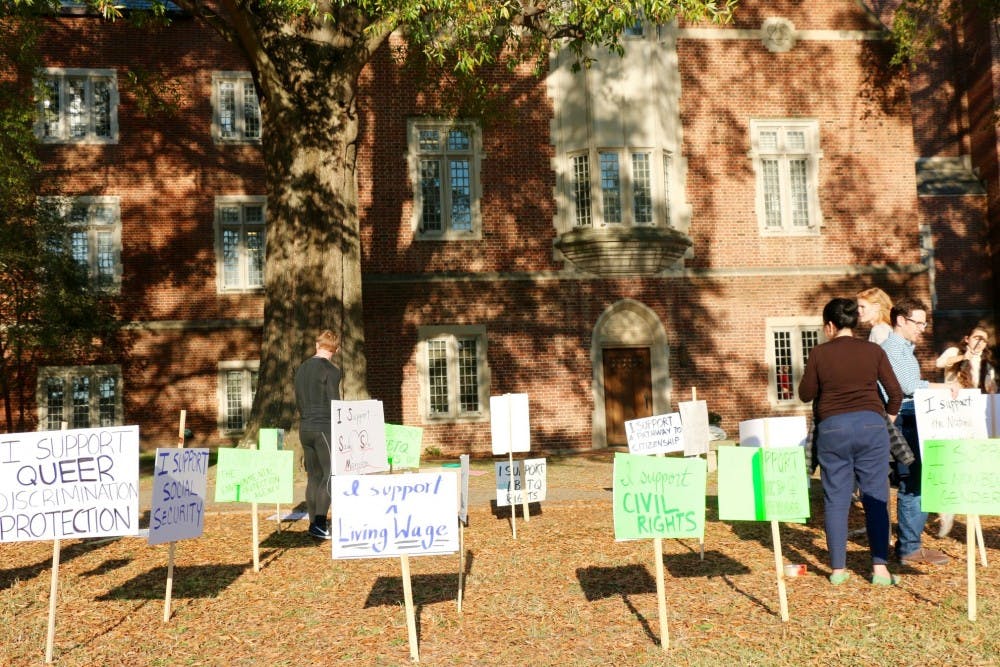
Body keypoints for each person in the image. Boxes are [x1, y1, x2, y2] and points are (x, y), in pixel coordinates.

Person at [798, 298, 903, 586]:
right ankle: (880, 569)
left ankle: (837, 570)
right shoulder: (873, 351)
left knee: (836, 498)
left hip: (833, 428)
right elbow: (895, 393)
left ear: (830, 326)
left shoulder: (819, 354)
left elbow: (805, 394)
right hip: (871, 425)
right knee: (876, 497)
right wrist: (886, 421)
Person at [880, 297, 959, 566]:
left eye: (925, 323)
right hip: (904, 418)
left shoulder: (904, 348)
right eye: (918, 323)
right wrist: (943, 388)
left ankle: (909, 545)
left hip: (911, 417)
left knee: (916, 480)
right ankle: (909, 548)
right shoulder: (893, 347)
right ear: (901, 320)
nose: (922, 328)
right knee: (913, 481)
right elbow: (909, 386)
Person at [932, 322, 997, 537]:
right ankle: (946, 511)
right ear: (967, 338)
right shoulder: (955, 353)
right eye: (976, 337)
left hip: (974, 413)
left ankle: (972, 504)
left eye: (984, 339)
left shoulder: (986, 362)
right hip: (952, 412)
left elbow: (989, 388)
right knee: (950, 460)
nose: (979, 342)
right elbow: (940, 363)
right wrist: (964, 358)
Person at [294, 329, 342, 540]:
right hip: (324, 427)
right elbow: (334, 401)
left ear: (317, 346)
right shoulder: (331, 370)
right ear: (336, 349)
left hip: (305, 427)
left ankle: (314, 524)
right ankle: (321, 523)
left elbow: (298, 398)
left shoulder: (301, 368)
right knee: (331, 474)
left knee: (313, 476)